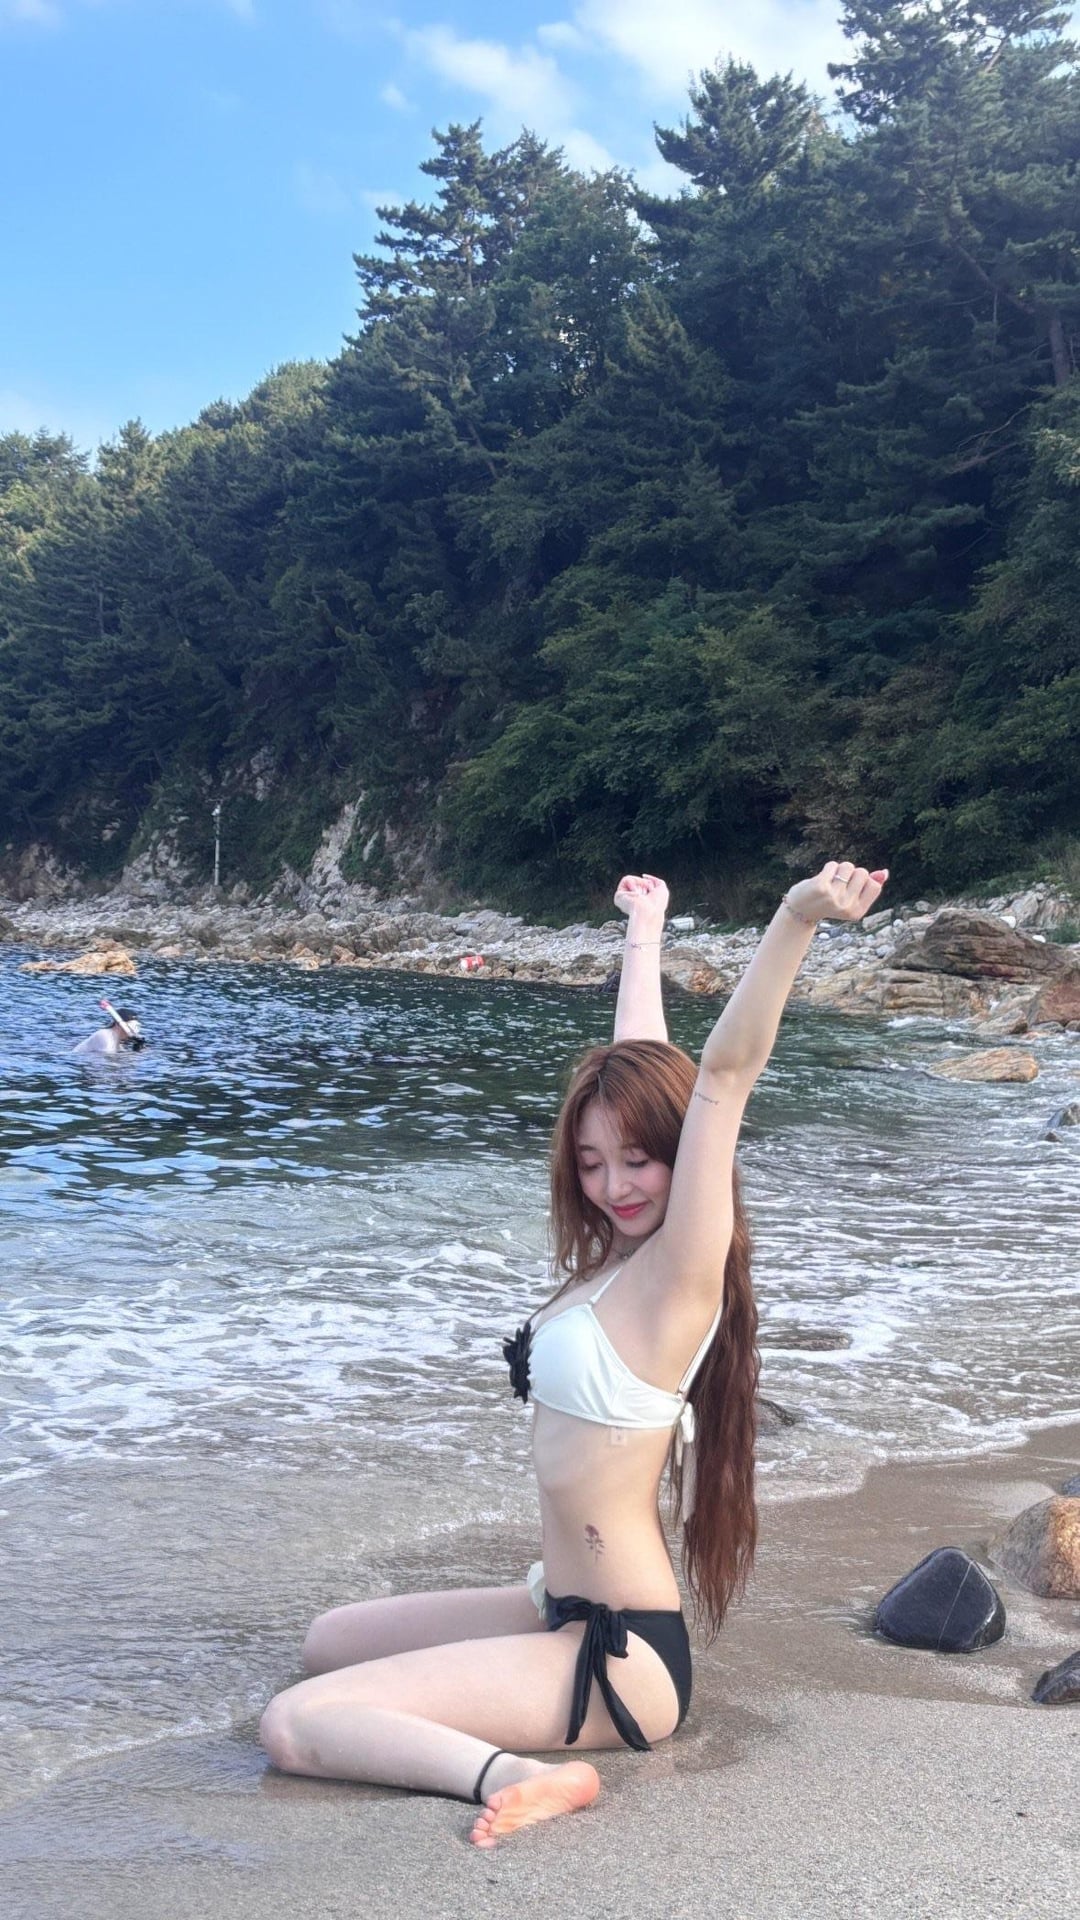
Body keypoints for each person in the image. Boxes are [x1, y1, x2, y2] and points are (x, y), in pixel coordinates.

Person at [259, 859, 888, 1847]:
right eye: (592, 1162)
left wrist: (795, 917)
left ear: (681, 1156)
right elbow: (643, 1063)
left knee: (296, 1725)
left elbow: (720, 1077)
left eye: (639, 1160)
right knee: (326, 1643)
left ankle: (520, 1778)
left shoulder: (681, 1270)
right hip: (553, 1602)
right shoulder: (613, 1261)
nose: (614, 1185)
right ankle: (503, 1720)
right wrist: (645, 931)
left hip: (621, 1655)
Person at [71, 1003, 145, 1060]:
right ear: (117, 1024)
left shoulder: (117, 1042)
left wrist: (137, 1049)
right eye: (131, 1027)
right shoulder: (105, 1035)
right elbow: (109, 1060)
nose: (132, 1032)